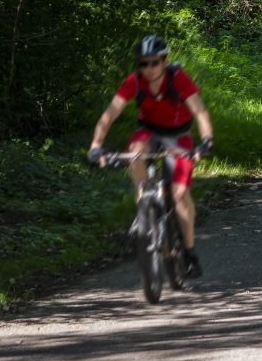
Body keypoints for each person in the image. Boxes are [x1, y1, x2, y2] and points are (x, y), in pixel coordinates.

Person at [89, 34, 214, 278]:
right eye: (143, 64)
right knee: (134, 153)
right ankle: (144, 208)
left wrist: (206, 141)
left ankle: (189, 253)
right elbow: (109, 115)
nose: (148, 68)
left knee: (179, 194)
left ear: (164, 61)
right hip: (149, 133)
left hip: (179, 138)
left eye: (154, 62)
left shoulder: (177, 78)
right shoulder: (135, 82)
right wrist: (96, 146)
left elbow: (200, 111)